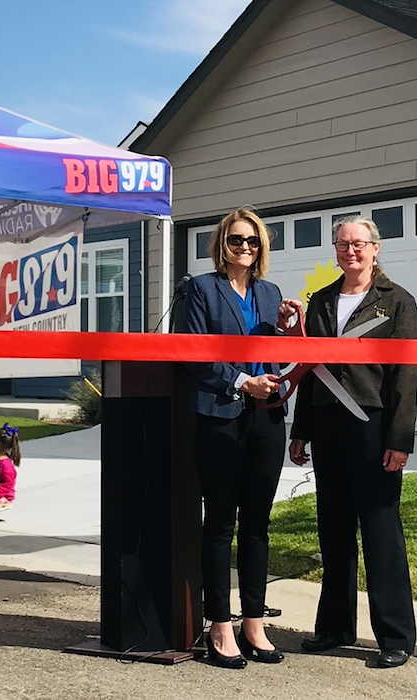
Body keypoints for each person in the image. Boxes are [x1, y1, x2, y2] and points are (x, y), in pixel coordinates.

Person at [289, 215, 417, 669]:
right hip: (327, 425)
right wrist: (300, 429)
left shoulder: (397, 302)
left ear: (376, 249)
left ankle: (396, 635)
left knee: (381, 531)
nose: (351, 251)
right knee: (334, 528)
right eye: (343, 244)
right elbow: (310, 369)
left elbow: (407, 376)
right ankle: (334, 627)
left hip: (374, 426)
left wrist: (401, 439)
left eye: (359, 244)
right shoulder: (321, 301)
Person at [183, 207, 296, 669]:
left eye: (253, 241)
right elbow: (193, 353)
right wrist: (240, 382)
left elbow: (277, 353)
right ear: (221, 244)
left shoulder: (270, 293)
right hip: (220, 416)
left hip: (266, 419)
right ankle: (219, 625)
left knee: (257, 522)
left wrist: (288, 328)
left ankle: (253, 621)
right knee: (220, 523)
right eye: (236, 240)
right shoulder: (201, 288)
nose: (245, 248)